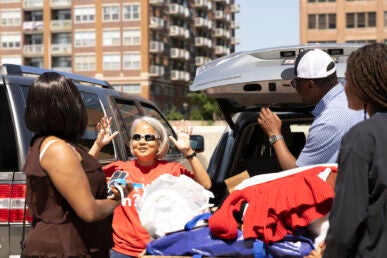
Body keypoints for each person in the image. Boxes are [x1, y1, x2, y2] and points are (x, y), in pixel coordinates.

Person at [22, 72, 130, 257]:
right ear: (68, 106)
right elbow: (89, 211)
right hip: (64, 248)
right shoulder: (58, 148)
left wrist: (97, 145)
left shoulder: (48, 143)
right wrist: (119, 198)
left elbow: (76, 171)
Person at [92, 116, 212, 258]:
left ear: (159, 143)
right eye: (137, 137)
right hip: (122, 251)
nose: (142, 142)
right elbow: (79, 175)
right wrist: (98, 145)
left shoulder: (172, 170)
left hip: (160, 250)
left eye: (149, 137)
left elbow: (205, 185)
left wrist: (188, 152)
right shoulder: (119, 169)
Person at [322, 43, 387, 257]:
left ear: (365, 84)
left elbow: (346, 222)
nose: (345, 87)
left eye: (348, 79)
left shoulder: (362, 139)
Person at [258, 48, 363, 170]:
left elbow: (297, 174)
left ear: (310, 85)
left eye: (296, 83)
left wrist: (274, 134)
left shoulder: (327, 123)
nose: (295, 88)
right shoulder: (355, 100)